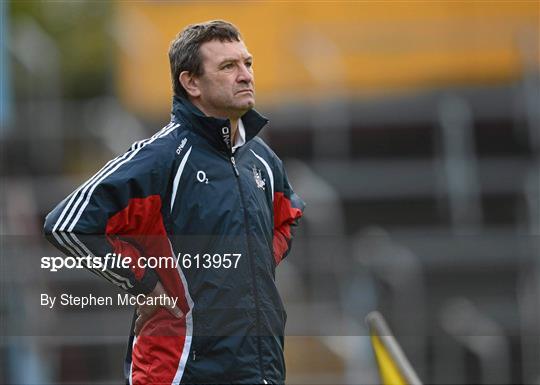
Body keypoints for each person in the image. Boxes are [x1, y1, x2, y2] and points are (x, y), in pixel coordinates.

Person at [44, 20, 305, 385]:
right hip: (179, 370)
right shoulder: (162, 157)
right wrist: (145, 282)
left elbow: (287, 216)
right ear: (191, 83)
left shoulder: (261, 158)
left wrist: (255, 260)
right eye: (228, 67)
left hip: (261, 368)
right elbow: (67, 224)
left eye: (248, 63)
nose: (245, 75)